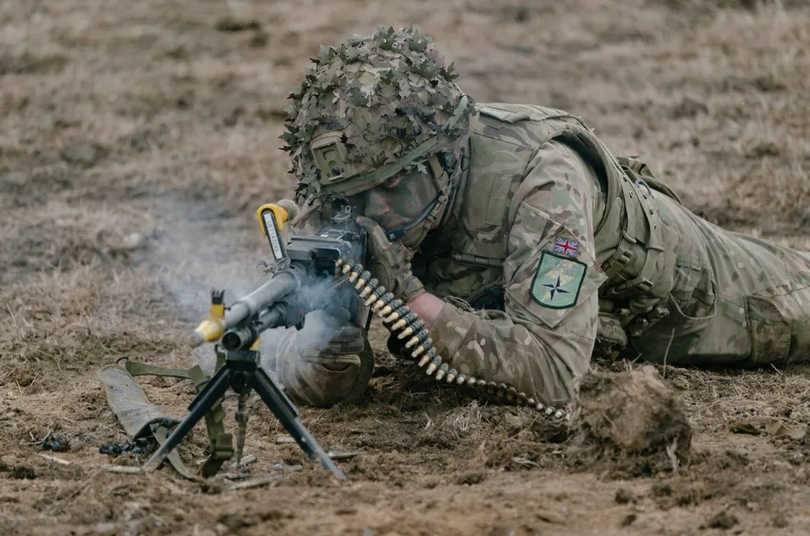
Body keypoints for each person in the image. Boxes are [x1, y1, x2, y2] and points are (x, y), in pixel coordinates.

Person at [268, 26, 810, 412]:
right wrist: (328, 342)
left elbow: (555, 372)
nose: (376, 211)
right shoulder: (350, 183)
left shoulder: (541, 180)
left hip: (721, 302)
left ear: (444, 159)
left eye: (393, 187)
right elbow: (305, 371)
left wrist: (411, 302)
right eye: (355, 197)